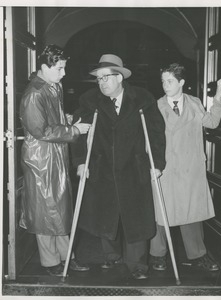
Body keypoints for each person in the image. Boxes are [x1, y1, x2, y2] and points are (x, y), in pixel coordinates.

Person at [70, 54, 166, 279]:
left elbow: (156, 133)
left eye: (106, 77)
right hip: (102, 167)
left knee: (136, 216)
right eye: (99, 78)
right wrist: (81, 162)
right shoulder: (89, 100)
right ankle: (110, 256)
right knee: (106, 213)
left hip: (134, 167)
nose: (101, 82)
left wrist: (157, 163)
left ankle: (137, 265)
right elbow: (80, 134)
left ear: (120, 77)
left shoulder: (142, 98)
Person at [19, 44, 91, 276]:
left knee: (59, 210)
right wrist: (74, 130)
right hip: (40, 159)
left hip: (54, 155)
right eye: (59, 68)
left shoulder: (53, 86)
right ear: (44, 67)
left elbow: (51, 120)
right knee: (45, 212)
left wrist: (66, 119)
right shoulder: (34, 94)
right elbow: (41, 131)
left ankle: (66, 257)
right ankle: (51, 262)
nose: (64, 73)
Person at [150, 63, 221, 272]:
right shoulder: (157, 105)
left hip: (190, 167)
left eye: (170, 81)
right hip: (166, 167)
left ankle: (198, 254)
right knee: (162, 211)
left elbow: (210, 123)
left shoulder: (194, 102)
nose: (165, 85)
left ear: (181, 82)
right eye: (163, 81)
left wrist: (218, 100)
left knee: (191, 211)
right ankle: (157, 255)